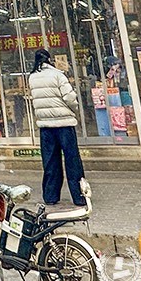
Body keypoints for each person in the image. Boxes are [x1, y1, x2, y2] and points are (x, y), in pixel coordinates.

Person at [29, 48, 86, 208]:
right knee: (72, 160)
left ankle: (50, 196)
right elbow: (70, 97)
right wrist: (75, 110)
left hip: (45, 126)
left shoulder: (32, 77)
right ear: (49, 59)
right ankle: (79, 196)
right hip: (64, 124)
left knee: (50, 161)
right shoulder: (57, 75)